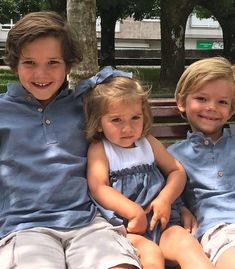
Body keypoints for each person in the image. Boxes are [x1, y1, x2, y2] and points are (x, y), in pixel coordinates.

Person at [0, 11, 142, 269]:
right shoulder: (3, 112)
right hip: (25, 227)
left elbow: (125, 93)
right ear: (14, 64)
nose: (41, 74)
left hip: (87, 221)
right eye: (29, 63)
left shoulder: (84, 104)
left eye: (53, 62)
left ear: (68, 64)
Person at [82, 66, 215, 269]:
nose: (128, 128)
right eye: (116, 120)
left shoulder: (147, 142)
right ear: (99, 123)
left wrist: (165, 199)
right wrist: (133, 212)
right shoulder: (100, 149)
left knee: (188, 247)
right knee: (151, 256)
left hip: (165, 222)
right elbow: (99, 187)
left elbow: (176, 171)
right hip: (128, 228)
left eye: (135, 117)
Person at [168, 56, 235, 269]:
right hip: (219, 228)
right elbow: (165, 192)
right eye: (202, 98)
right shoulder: (173, 155)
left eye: (222, 102)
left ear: (231, 110)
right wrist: (181, 209)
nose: (212, 107)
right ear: (181, 102)